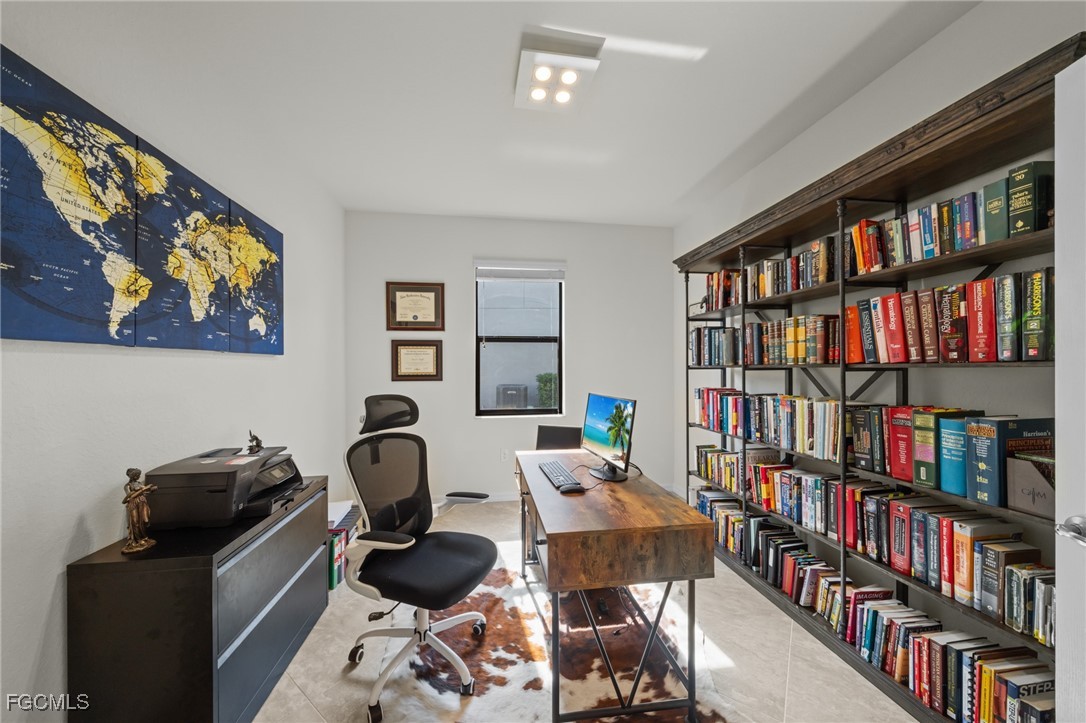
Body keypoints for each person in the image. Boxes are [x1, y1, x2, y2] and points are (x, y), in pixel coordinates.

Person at [122, 468, 157, 553]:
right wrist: (144, 489)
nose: (139, 477)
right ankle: (137, 540)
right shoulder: (128, 486)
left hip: (142, 502)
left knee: (145, 520)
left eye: (139, 475)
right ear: (132, 476)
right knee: (135, 522)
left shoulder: (139, 483)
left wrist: (151, 490)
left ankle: (144, 537)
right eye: (137, 475)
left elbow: (144, 493)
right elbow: (131, 497)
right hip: (133, 504)